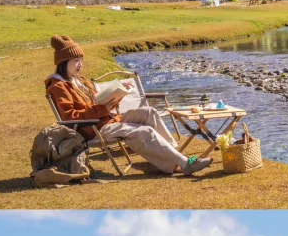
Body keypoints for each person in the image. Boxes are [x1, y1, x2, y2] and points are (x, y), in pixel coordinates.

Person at [44, 35, 212, 176]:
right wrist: (103, 108)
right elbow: (70, 118)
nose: (80, 64)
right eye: (75, 60)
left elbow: (99, 102)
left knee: (148, 112)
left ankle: (175, 156)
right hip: (92, 130)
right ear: (63, 62)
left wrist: (118, 94)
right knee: (143, 131)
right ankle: (185, 164)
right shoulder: (59, 87)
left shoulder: (80, 81)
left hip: (105, 119)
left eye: (81, 60)